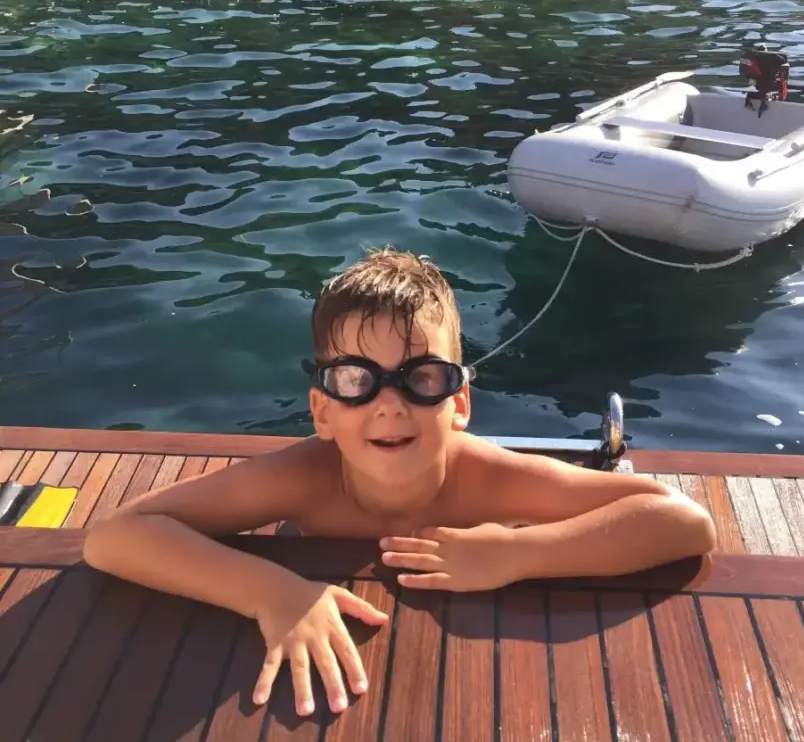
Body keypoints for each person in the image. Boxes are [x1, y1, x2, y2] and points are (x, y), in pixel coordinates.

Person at [83, 247, 717, 719]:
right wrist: (271, 592)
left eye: (423, 377)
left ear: (460, 403)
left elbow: (683, 522)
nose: (390, 404)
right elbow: (113, 537)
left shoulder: (487, 478)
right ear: (323, 410)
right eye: (356, 380)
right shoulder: (307, 477)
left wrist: (519, 553)